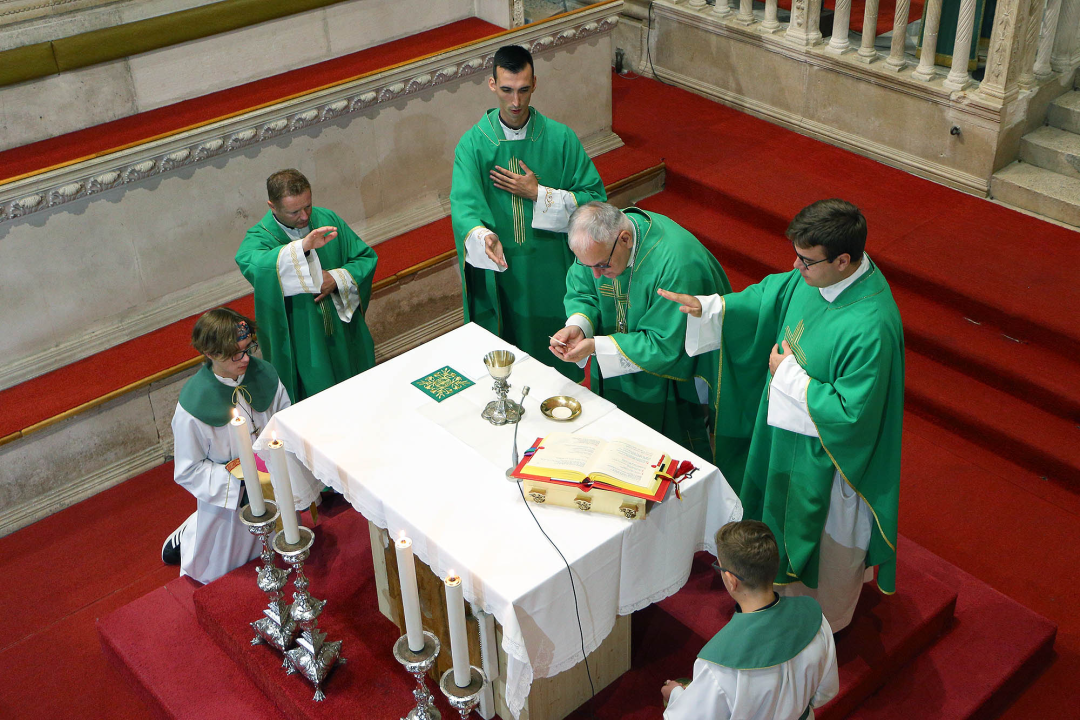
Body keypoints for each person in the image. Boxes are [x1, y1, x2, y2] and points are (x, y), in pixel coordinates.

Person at [659, 199, 903, 632]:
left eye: (807, 261)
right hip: (785, 437)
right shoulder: (817, 278)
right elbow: (772, 295)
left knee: (824, 556)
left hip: (827, 463)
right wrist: (711, 309)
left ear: (844, 260)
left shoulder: (872, 327)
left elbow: (851, 415)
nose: (796, 266)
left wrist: (786, 374)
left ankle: (818, 629)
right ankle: (772, 598)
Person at [451, 44, 607, 379]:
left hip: (554, 271)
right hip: (502, 273)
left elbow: (596, 201)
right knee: (508, 361)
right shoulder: (474, 145)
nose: (516, 102)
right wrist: (482, 236)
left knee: (555, 364)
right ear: (492, 85)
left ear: (535, 83)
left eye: (523, 90)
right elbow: (463, 206)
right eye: (506, 90)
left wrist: (540, 194)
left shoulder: (560, 139)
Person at [549, 202, 730, 454]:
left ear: (625, 239)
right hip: (622, 363)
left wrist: (598, 346)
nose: (597, 275)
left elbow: (666, 345)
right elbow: (583, 290)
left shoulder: (677, 265)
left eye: (601, 265)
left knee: (668, 455)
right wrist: (580, 324)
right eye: (588, 266)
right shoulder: (599, 247)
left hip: (675, 376)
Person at [161, 308, 320, 584]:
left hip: (274, 481)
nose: (246, 359)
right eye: (236, 354)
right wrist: (241, 483)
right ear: (210, 354)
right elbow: (188, 469)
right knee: (223, 571)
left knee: (288, 547)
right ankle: (190, 531)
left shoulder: (264, 375)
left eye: (248, 348)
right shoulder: (193, 406)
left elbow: (285, 419)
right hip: (232, 497)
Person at [662, 520, 839, 720]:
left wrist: (676, 694)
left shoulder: (720, 663)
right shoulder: (815, 618)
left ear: (731, 580)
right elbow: (827, 691)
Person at [235, 168, 377, 402]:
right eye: (294, 211)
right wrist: (300, 249)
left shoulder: (326, 219)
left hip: (343, 333)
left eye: (307, 206)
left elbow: (365, 258)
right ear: (272, 206)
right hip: (303, 339)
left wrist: (337, 277)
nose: (304, 216)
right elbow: (254, 265)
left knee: (358, 394)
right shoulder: (259, 238)